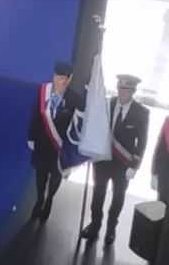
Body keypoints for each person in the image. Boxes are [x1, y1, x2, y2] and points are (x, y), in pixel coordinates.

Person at [82, 70, 150, 246]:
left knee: (118, 197)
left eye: (126, 90)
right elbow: (97, 128)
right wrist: (91, 148)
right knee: (98, 193)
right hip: (103, 160)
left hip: (123, 164)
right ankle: (95, 225)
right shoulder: (107, 104)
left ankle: (111, 228)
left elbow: (142, 142)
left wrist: (134, 166)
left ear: (133, 91)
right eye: (120, 89)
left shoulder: (141, 112)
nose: (122, 93)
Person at [27, 60, 81, 224]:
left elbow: (76, 127)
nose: (60, 81)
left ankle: (49, 200)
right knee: (41, 174)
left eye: (64, 78)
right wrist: (31, 137)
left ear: (70, 79)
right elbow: (35, 115)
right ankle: (39, 199)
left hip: (60, 147)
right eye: (58, 77)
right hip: (42, 143)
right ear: (54, 76)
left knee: (56, 175)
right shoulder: (43, 92)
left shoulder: (75, 99)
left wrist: (72, 151)